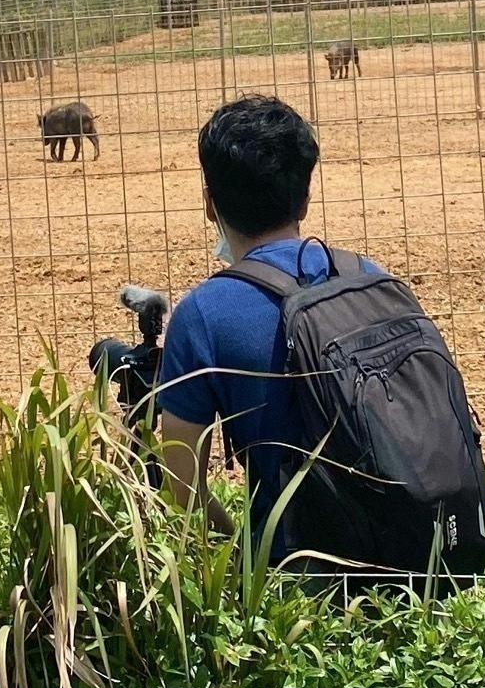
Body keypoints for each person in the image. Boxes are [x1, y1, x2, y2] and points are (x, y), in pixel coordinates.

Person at [152, 92, 389, 564]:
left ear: (209, 204)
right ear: (305, 198)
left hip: (297, 582)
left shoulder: (204, 314)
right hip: (422, 553)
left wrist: (236, 547)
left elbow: (182, 495)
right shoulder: (372, 277)